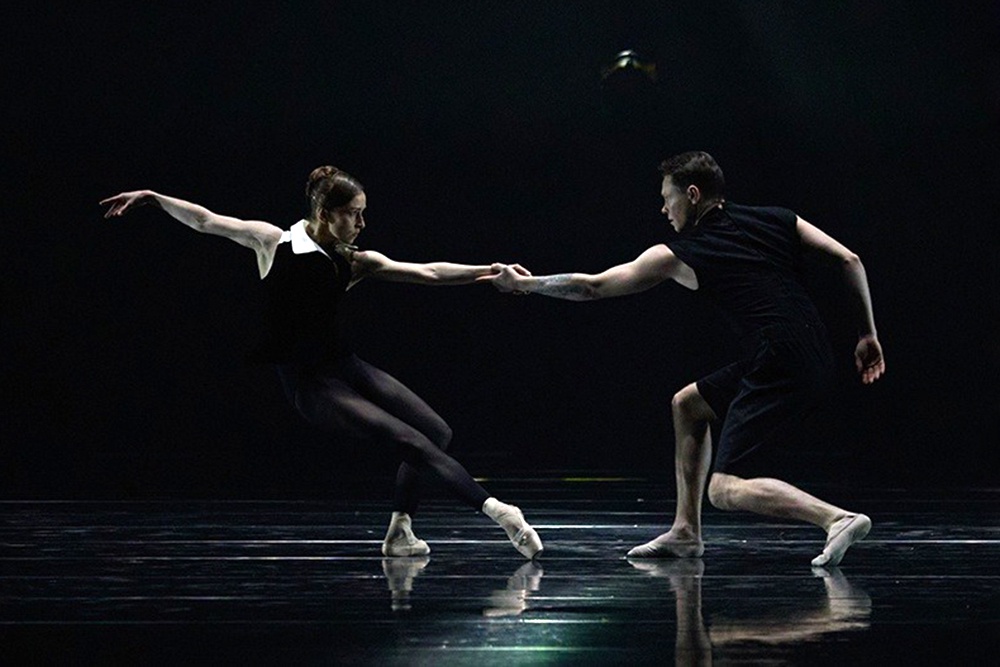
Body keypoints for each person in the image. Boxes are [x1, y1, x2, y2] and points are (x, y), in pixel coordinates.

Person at [100, 165, 543, 560]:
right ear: (325, 213)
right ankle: (501, 512)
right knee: (408, 439)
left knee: (437, 431)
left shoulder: (355, 261)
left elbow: (428, 272)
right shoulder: (272, 242)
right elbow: (205, 220)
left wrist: (491, 271)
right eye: (353, 213)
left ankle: (399, 532)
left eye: (363, 213)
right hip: (310, 383)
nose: (362, 223)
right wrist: (154, 198)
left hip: (345, 365)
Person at [488, 151, 884, 567]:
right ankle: (685, 532)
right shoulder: (776, 218)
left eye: (668, 199)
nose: (664, 209)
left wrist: (526, 284)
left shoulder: (681, 253)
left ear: (692, 195)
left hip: (779, 358)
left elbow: (593, 287)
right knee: (688, 405)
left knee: (723, 490)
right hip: (809, 350)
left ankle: (837, 519)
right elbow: (849, 259)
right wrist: (867, 334)